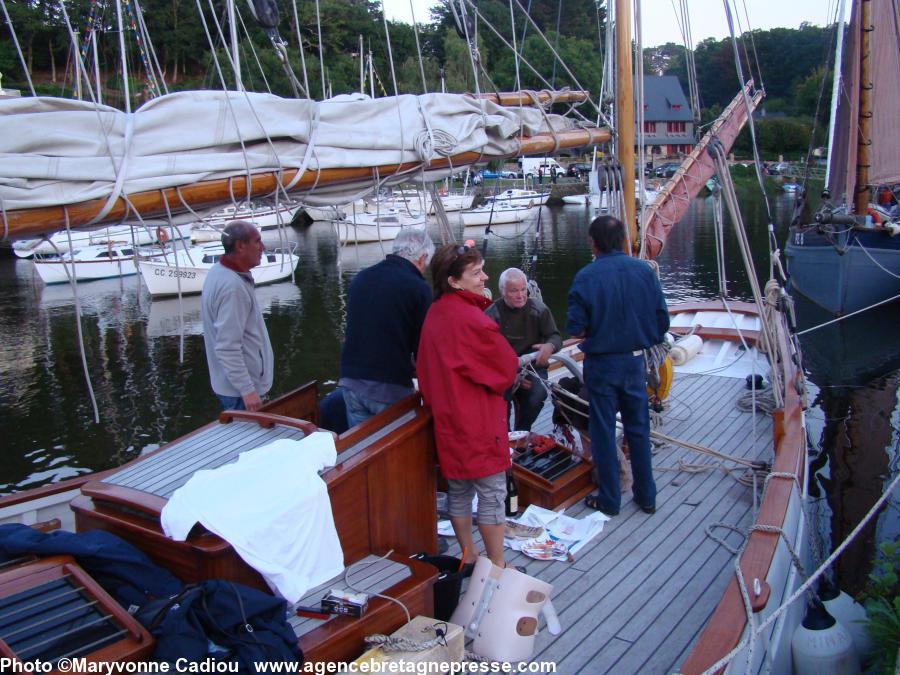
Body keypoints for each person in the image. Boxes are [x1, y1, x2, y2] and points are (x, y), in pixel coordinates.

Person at [417, 244, 518, 570]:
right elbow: (505, 368)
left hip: (447, 419)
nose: (484, 277)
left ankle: (468, 555)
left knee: (458, 490)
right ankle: (497, 565)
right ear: (454, 281)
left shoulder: (435, 314)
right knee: (491, 494)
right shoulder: (471, 320)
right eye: (476, 273)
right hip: (477, 421)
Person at [566, 215, 670, 517]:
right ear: (623, 241)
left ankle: (610, 499)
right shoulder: (644, 272)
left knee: (602, 431)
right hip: (635, 362)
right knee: (638, 429)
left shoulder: (586, 277)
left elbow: (575, 327)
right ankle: (646, 496)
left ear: (593, 243)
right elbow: (662, 321)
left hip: (602, 366)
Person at [339, 227, 434, 427]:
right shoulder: (418, 288)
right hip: (388, 387)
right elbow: (423, 349)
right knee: (397, 445)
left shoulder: (361, 278)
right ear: (422, 258)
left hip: (350, 381)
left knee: (362, 445)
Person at [200, 221, 273, 411]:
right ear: (240, 246)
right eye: (257, 241)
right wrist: (248, 391)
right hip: (241, 394)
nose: (263, 247)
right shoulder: (232, 287)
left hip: (233, 388)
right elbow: (227, 346)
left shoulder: (218, 272)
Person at [485, 268, 562, 431]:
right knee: (498, 399)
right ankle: (504, 434)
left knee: (538, 394)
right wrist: (509, 376)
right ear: (503, 291)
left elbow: (555, 336)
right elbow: (486, 354)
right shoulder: (491, 315)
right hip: (501, 370)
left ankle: (522, 431)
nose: (521, 295)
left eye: (523, 289)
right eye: (514, 291)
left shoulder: (539, 309)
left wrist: (549, 346)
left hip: (532, 368)